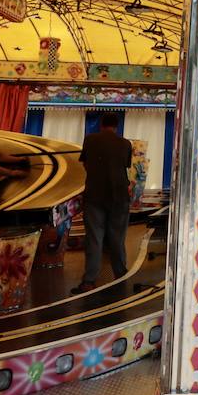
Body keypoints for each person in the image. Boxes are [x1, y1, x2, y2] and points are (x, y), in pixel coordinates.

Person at [74, 113, 133, 294]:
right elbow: (125, 166)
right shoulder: (125, 143)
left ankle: (90, 280)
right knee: (117, 238)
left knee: (94, 238)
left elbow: (85, 164)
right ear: (117, 125)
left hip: (94, 195)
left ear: (101, 124)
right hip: (119, 195)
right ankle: (121, 276)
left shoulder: (90, 140)